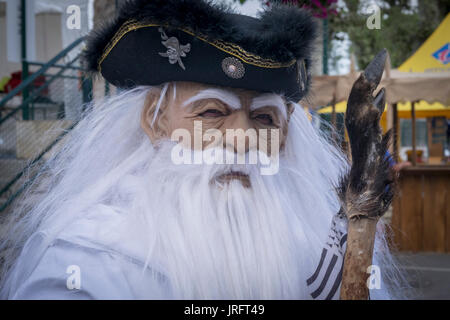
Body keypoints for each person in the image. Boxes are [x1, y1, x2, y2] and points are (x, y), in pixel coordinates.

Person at [0, 0, 402, 299]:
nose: (243, 138)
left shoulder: (324, 253)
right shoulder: (90, 264)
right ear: (156, 122)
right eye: (212, 112)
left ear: (284, 137)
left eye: (264, 119)